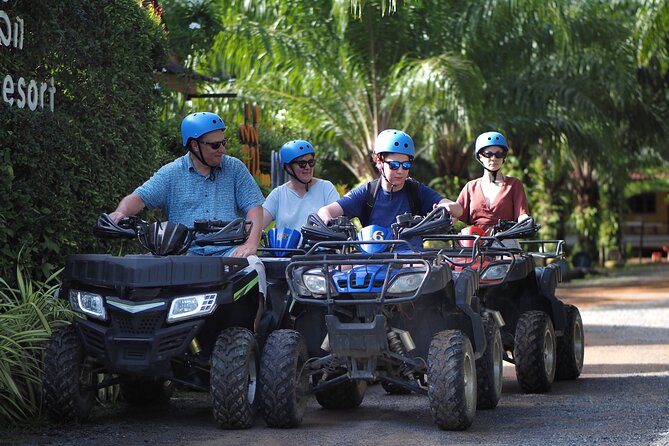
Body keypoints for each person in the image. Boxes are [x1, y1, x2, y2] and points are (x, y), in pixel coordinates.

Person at [108, 111, 265, 257]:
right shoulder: (171, 172)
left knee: (253, 266)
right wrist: (121, 212)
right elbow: (139, 197)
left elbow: (254, 207)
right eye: (215, 145)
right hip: (183, 253)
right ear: (195, 145)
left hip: (229, 251)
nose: (222, 150)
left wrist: (251, 244)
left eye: (223, 142)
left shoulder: (235, 168)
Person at [317, 129, 462, 248]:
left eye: (405, 165)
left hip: (411, 266)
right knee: (341, 270)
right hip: (372, 261)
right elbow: (326, 211)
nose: (400, 171)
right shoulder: (367, 192)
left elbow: (458, 209)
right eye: (394, 165)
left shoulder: (416, 190)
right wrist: (329, 221)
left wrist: (448, 207)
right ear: (379, 163)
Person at [456, 131, 530, 235]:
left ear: (503, 157)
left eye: (498, 154)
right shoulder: (470, 187)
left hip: (505, 242)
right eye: (488, 154)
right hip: (475, 243)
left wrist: (526, 222)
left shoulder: (514, 185)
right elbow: (455, 217)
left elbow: (522, 215)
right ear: (480, 156)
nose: (493, 158)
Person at [262, 139, 339, 231]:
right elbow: (257, 224)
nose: (308, 167)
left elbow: (338, 221)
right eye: (302, 163)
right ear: (288, 167)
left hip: (318, 245)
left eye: (311, 162)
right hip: (285, 245)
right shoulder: (278, 194)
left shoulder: (326, 188)